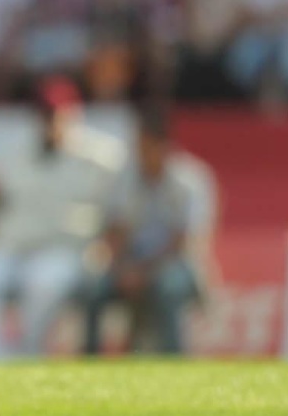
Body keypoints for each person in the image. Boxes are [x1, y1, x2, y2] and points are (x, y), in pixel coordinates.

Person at [0, 77, 126, 358]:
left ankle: (28, 358)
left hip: (65, 250)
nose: (51, 121)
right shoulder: (17, 150)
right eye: (45, 114)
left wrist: (105, 251)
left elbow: (118, 213)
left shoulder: (103, 155)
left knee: (43, 283)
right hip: (13, 247)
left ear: (75, 114)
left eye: (58, 114)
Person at [82, 110, 216, 355]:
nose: (141, 155)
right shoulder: (126, 177)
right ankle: (88, 367)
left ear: (164, 146)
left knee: (167, 287)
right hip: (129, 263)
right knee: (92, 289)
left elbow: (184, 241)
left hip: (176, 264)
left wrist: (143, 272)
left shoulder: (191, 180)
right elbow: (115, 230)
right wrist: (122, 268)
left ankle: (173, 363)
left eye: (146, 147)